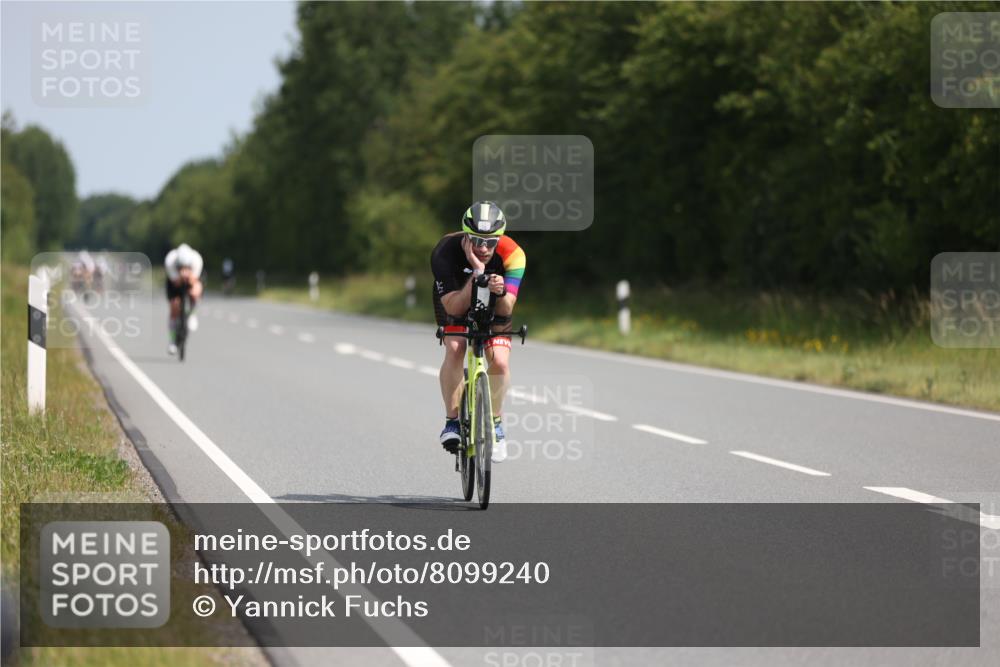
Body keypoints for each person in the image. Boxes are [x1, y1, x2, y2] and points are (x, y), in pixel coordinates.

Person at [431, 201, 526, 464]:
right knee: (456, 347)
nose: (483, 248)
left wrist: (500, 291)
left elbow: (507, 308)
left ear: (500, 238)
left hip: (496, 304)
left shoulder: (514, 254)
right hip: (456, 298)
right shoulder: (446, 251)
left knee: (500, 362)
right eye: (476, 241)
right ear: (465, 236)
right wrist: (477, 273)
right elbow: (452, 305)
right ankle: (452, 422)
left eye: (490, 242)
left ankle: (495, 424)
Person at [164, 243, 204, 355]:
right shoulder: (170, 261)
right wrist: (181, 276)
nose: (184, 269)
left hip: (192, 279)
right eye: (181, 267)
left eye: (186, 267)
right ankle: (172, 341)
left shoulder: (197, 260)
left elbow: (195, 282)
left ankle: (192, 314)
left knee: (196, 292)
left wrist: (189, 278)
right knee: (174, 307)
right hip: (174, 283)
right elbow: (175, 283)